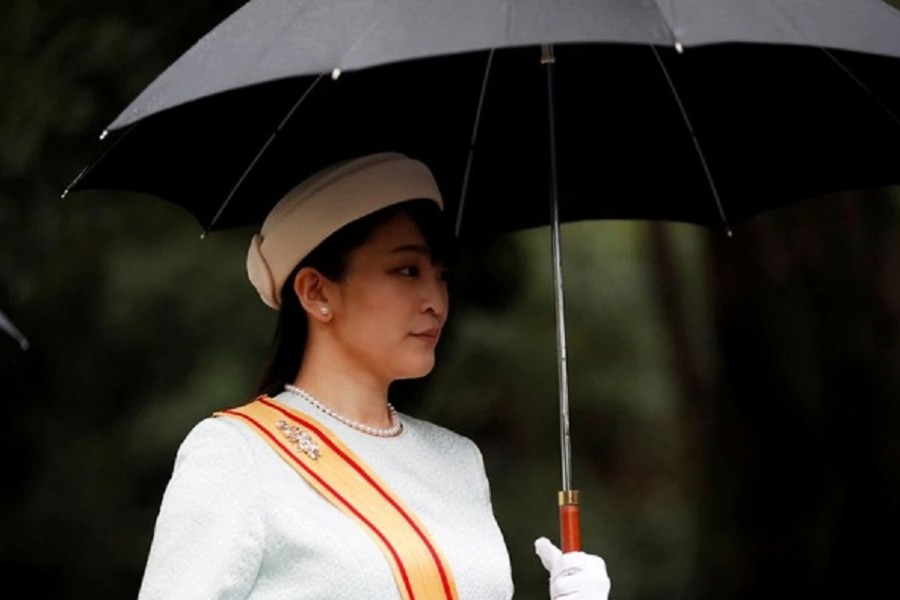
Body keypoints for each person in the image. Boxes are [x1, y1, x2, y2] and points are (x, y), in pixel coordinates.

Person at [136, 152, 611, 600]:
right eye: (406, 270)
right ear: (317, 291)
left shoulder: (458, 461)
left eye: (441, 274)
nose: (435, 300)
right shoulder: (237, 453)